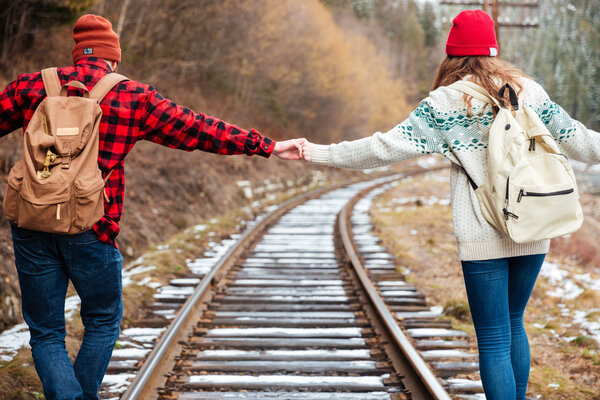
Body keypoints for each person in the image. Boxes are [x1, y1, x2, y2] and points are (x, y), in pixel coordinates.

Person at [299, 9, 600, 400]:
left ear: (452, 53)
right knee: (514, 322)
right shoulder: (529, 90)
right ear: (494, 48)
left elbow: (381, 148)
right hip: (533, 220)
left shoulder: (442, 103)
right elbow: (577, 138)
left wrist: (318, 153)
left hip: (482, 231)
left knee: (493, 336)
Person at [0, 14, 302, 400]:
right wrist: (267, 145)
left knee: (45, 333)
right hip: (92, 227)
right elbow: (198, 129)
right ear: (113, 59)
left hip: (32, 222)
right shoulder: (131, 96)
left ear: (76, 55)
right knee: (103, 322)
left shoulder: (33, 85)